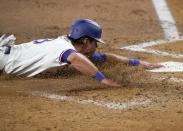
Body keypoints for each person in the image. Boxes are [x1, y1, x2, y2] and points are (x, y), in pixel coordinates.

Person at [0, 19, 162, 86]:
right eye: (95, 42)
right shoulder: (65, 50)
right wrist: (103, 79)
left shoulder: (67, 42)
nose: (97, 46)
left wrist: (136, 62)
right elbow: (75, 59)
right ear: (85, 41)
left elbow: (102, 58)